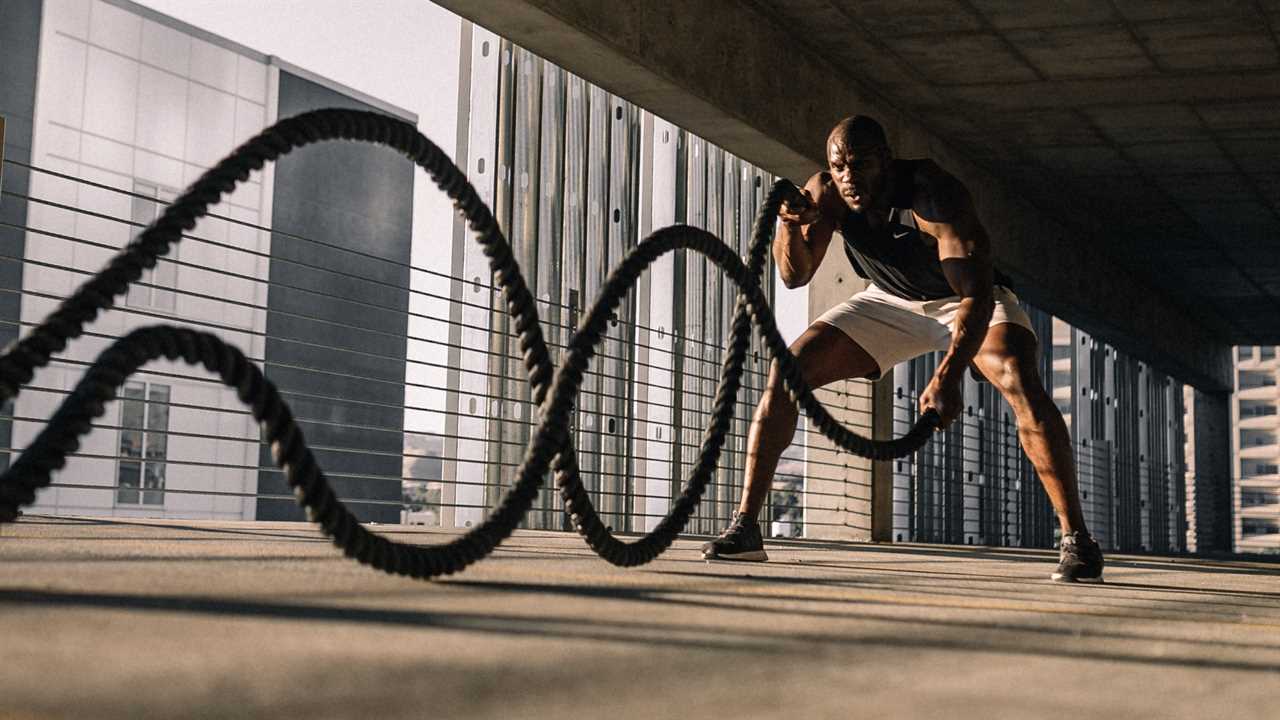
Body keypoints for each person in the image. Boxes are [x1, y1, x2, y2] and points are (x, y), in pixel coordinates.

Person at [701, 115, 1103, 583]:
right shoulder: (828, 192)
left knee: (1018, 376)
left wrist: (948, 375)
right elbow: (795, 275)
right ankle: (747, 527)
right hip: (889, 300)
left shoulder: (933, 194)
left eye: (860, 164)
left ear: (886, 162)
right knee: (787, 370)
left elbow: (974, 294)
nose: (849, 177)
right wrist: (790, 225)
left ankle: (1077, 539)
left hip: (965, 301)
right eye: (839, 166)